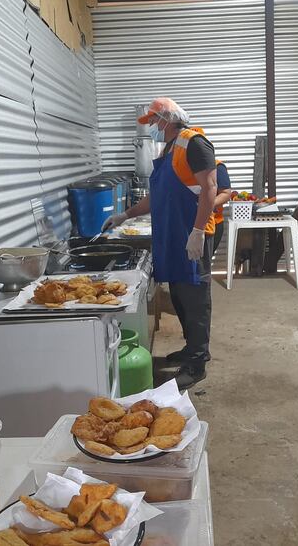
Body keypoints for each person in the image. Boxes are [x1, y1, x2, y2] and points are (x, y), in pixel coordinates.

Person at [103, 98, 217, 388]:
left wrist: (198, 231)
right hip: (174, 235)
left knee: (195, 300)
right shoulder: (169, 149)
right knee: (180, 297)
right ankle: (192, 349)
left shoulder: (194, 143)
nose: (152, 127)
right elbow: (158, 196)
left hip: (191, 235)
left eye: (153, 121)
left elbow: (210, 187)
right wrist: (125, 215)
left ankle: (197, 363)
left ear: (168, 118)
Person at [212, 161, 232, 256]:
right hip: (183, 223)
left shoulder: (217, 167)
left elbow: (225, 194)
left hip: (212, 224)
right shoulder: (179, 165)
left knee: (201, 266)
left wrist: (206, 205)